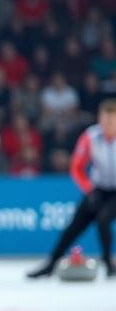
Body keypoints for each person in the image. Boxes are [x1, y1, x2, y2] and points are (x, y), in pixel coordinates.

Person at [28, 99, 116, 278]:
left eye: (111, 120)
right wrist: (89, 189)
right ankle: (51, 263)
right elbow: (76, 167)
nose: (107, 124)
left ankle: (108, 263)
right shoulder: (90, 137)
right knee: (73, 227)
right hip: (97, 189)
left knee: (103, 220)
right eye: (104, 119)